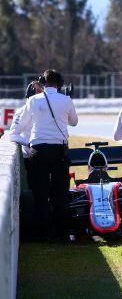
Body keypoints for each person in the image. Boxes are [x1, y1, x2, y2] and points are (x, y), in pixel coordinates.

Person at [14, 69, 78, 240]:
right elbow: (74, 122)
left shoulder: (33, 100)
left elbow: (20, 127)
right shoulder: (66, 100)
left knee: (40, 193)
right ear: (60, 84)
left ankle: (43, 233)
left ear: (42, 82)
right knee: (60, 193)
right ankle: (62, 233)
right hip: (59, 150)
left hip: (38, 149)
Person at [8, 81, 44, 182]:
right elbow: (13, 135)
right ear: (31, 94)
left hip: (48, 154)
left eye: (41, 91)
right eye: (38, 92)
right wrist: (30, 143)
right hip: (31, 157)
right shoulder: (22, 111)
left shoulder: (49, 109)